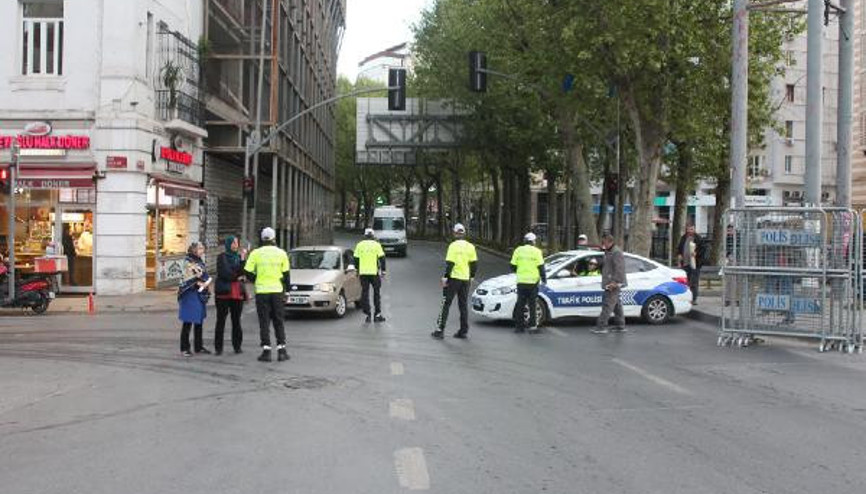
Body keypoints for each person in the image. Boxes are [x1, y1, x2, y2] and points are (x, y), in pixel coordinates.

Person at [244, 227, 290, 362]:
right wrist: (287, 292)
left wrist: (255, 279)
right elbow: (287, 275)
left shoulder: (255, 253)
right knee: (278, 321)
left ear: (262, 239)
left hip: (262, 292)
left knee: (264, 322)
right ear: (274, 238)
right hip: (277, 291)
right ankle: (282, 351)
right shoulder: (281, 253)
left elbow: (247, 271)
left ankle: (266, 351)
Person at [433, 223, 478, 339]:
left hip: (454, 278)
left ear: (455, 233)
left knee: (446, 303)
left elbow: (450, 264)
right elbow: (474, 264)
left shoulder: (453, 246)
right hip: (465, 279)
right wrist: (472, 276)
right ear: (464, 233)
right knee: (463, 305)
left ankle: (440, 329)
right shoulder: (470, 246)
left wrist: (445, 277)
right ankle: (463, 330)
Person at [214, 235, 247, 355]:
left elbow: (244, 271)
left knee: (236, 321)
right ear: (228, 244)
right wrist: (237, 275)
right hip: (224, 293)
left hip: (237, 293)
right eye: (233, 243)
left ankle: (237, 346)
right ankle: (218, 348)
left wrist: (243, 259)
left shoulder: (239, 258)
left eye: (237, 243)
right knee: (221, 321)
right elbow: (225, 274)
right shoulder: (221, 257)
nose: (236, 245)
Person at [178, 242, 212, 356]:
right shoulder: (188, 261)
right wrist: (199, 282)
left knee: (199, 320)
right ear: (193, 250)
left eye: (202, 248)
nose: (202, 250)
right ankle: (184, 348)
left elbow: (203, 274)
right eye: (200, 248)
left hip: (199, 293)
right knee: (188, 321)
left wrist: (205, 282)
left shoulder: (199, 260)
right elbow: (188, 277)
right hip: (189, 294)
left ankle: (198, 346)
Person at [511, 232, 546, 334]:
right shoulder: (537, 251)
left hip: (521, 281)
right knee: (532, 305)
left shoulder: (518, 250)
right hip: (533, 282)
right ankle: (532, 326)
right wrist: (544, 279)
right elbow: (541, 267)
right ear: (533, 241)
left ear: (525, 241)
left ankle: (519, 327)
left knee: (520, 305)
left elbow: (512, 265)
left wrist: (520, 271)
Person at [592, 233, 627, 334]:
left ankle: (601, 326)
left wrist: (615, 282)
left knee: (607, 305)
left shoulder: (616, 252)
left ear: (609, 241)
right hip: (610, 282)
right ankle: (620, 325)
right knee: (616, 305)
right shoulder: (609, 251)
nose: (603, 244)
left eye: (604, 242)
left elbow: (619, 268)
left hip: (612, 283)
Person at [354, 228, 387, 323]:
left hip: (363, 273)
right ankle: (377, 315)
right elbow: (382, 258)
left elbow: (356, 259)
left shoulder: (359, 245)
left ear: (364, 236)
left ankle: (368, 314)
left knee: (365, 293)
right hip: (374, 273)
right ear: (373, 236)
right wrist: (383, 271)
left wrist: (357, 269)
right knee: (376, 293)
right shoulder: (376, 245)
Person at [676, 224, 704, 304]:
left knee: (694, 282)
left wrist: (697, 253)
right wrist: (679, 254)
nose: (690, 231)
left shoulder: (698, 238)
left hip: (695, 264)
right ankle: (685, 298)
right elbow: (679, 248)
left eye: (691, 229)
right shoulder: (684, 237)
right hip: (685, 263)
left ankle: (693, 299)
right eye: (688, 229)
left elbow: (703, 250)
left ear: (694, 229)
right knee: (685, 282)